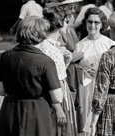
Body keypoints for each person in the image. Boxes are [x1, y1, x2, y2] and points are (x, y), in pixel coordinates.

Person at [0, 16, 63, 136]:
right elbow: (57, 97)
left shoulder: (6, 56)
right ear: (41, 35)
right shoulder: (45, 61)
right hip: (37, 114)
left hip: (10, 111)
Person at [37, 7, 78, 135]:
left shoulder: (47, 44)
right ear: (60, 24)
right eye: (66, 21)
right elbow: (54, 80)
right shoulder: (51, 49)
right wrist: (59, 108)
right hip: (56, 96)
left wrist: (65, 63)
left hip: (54, 92)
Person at [74, 7, 115, 134]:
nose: (92, 25)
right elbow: (74, 69)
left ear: (102, 24)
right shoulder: (79, 45)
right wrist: (82, 71)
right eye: (89, 22)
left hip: (104, 88)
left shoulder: (109, 44)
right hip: (85, 89)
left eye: (96, 22)